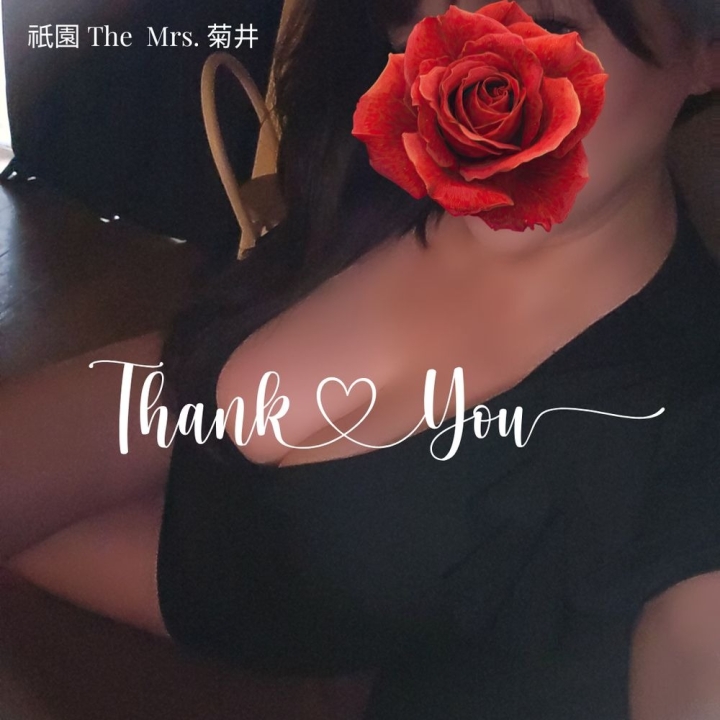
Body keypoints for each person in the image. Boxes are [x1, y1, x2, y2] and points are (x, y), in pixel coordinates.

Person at [0, 1, 718, 718]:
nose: (463, 94)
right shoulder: (374, 169)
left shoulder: (683, 424)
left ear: (706, 49)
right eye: (427, 18)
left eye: (553, 28)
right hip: (172, 415)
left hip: (220, 594)